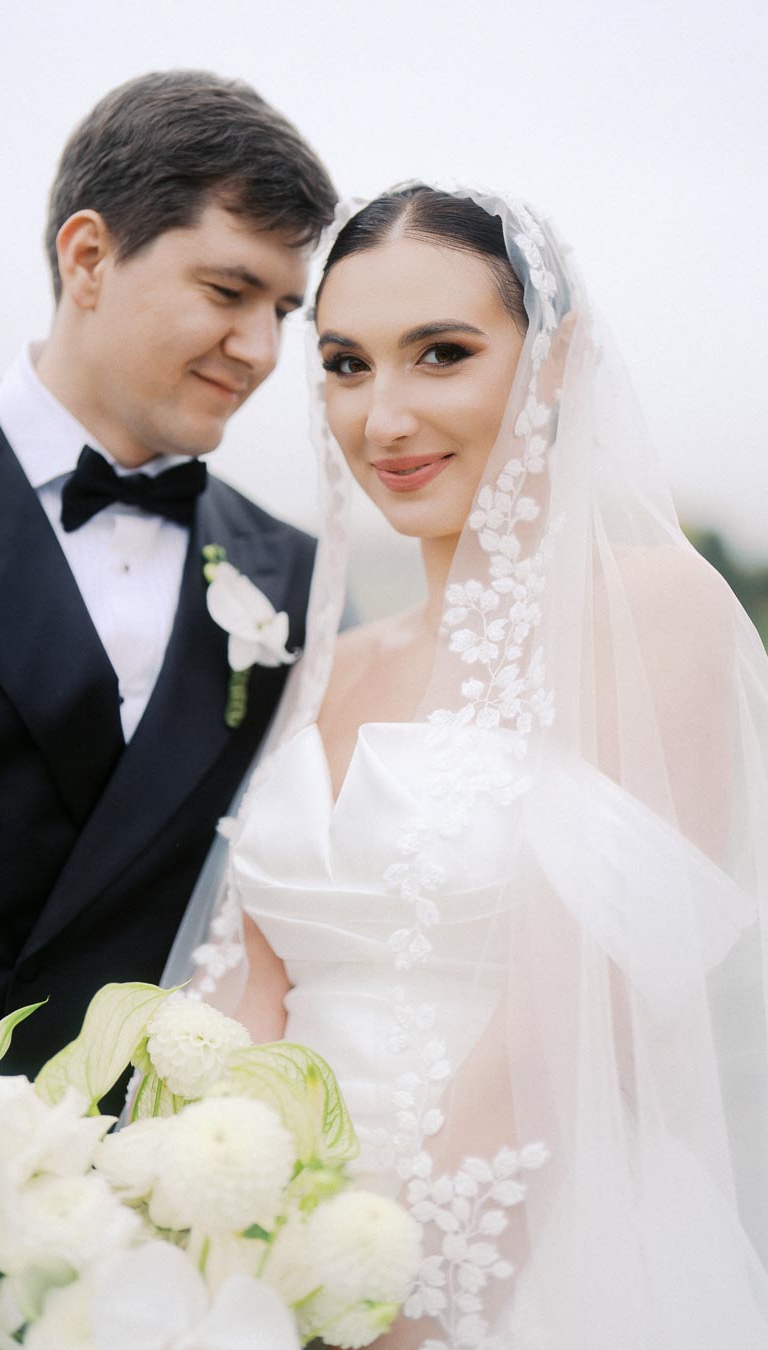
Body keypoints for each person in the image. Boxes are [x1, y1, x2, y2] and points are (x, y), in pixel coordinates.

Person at [172, 185, 768, 1346]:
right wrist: (217, 1254)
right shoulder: (329, 667)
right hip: (275, 1274)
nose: (384, 417)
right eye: (346, 366)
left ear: (557, 362)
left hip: (541, 1260)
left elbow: (573, 1022)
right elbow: (245, 1001)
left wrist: (391, 1307)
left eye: (441, 354)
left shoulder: (655, 615)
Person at [0, 71, 335, 1233]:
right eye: (228, 290)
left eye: (284, 310)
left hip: (158, 1226)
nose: (259, 348)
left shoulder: (298, 579)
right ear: (88, 258)